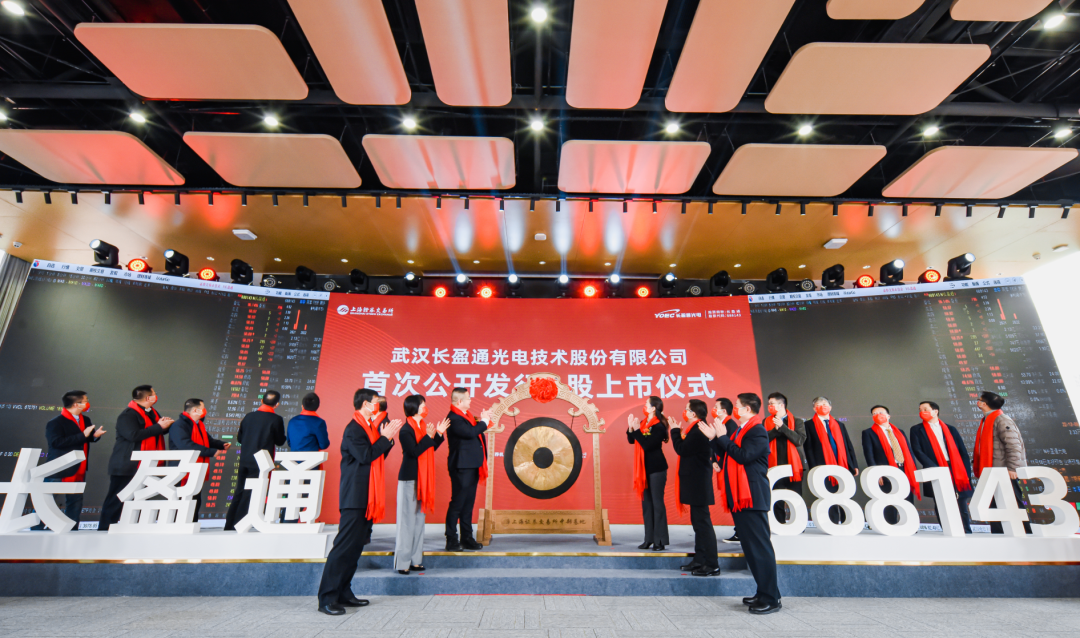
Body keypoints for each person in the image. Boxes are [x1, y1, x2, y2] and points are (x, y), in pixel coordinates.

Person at [317, 388, 403, 615]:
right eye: (375, 402)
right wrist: (384, 438)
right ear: (365, 404)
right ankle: (327, 598)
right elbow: (366, 456)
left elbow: (377, 456)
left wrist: (387, 439)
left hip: (367, 497)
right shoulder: (354, 429)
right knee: (343, 547)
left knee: (355, 549)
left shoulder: (369, 428)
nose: (378, 406)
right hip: (355, 497)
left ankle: (343, 593)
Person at [709, 392, 781, 615]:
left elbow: (743, 456)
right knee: (751, 549)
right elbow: (729, 454)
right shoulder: (742, 429)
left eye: (737, 405)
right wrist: (714, 438)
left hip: (753, 496)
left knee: (760, 548)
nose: (735, 408)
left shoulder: (757, 430)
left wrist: (722, 437)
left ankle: (772, 598)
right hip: (742, 498)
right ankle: (763, 592)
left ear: (747, 409)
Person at [99, 385, 173, 531]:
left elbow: (154, 432)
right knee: (117, 498)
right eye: (154, 393)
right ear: (148, 398)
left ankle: (131, 528)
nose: (156, 395)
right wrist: (159, 426)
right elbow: (133, 435)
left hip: (145, 464)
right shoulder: (128, 415)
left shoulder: (152, 412)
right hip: (127, 464)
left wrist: (165, 426)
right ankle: (104, 529)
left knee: (138, 499)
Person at [32, 391, 105, 530]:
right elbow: (56, 442)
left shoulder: (86, 420)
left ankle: (72, 528)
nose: (88, 403)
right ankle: (37, 528)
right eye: (85, 400)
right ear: (76, 404)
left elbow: (86, 438)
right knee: (47, 500)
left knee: (75, 500)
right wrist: (82, 435)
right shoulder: (56, 422)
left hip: (79, 466)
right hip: (59, 467)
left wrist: (94, 436)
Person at [395, 394, 449, 575]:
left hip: (423, 480)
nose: (425, 407)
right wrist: (428, 436)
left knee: (419, 521)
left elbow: (429, 448)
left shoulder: (423, 427)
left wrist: (438, 434)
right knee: (407, 522)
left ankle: (416, 560)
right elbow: (414, 452)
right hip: (410, 478)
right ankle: (403, 562)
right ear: (414, 407)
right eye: (422, 404)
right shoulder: (406, 430)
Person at [224, 390, 287, 531]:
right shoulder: (276, 419)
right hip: (261, 462)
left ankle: (229, 525)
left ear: (261, 401)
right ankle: (239, 525)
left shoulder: (249, 416)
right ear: (277, 404)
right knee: (251, 493)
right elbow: (280, 441)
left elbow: (240, 438)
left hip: (245, 459)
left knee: (240, 491)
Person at [669, 399, 719, 577]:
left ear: (693, 413)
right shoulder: (695, 429)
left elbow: (681, 449)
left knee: (703, 524)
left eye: (686, 409)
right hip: (695, 482)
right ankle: (699, 559)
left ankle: (711, 564)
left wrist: (674, 431)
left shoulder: (698, 430)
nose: (684, 411)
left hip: (698, 483)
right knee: (698, 524)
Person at [909, 400, 974, 534]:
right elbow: (918, 451)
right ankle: (947, 530)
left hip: (955, 468)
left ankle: (966, 531)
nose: (922, 412)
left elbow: (962, 452)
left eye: (925, 409)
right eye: (920, 410)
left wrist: (966, 472)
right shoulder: (916, 430)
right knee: (940, 501)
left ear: (935, 411)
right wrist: (934, 468)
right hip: (934, 468)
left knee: (960, 501)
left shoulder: (950, 429)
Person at [973, 391, 1031, 534]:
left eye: (979, 400)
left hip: (1004, 471)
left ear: (984, 404)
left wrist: (1012, 468)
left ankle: (1026, 535)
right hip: (993, 471)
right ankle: (999, 536)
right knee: (994, 507)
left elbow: (1014, 445)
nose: (978, 402)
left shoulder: (1001, 420)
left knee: (1013, 504)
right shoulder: (987, 419)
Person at [444, 387, 492, 551]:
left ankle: (466, 538)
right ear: (459, 401)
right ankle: (451, 539)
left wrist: (483, 420)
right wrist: (484, 421)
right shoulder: (454, 418)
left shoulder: (467, 417)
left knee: (468, 504)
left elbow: (474, 430)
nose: (471, 400)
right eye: (468, 398)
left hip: (471, 465)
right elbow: (471, 433)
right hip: (461, 466)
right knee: (457, 503)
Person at [169, 398, 229, 522]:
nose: (205, 411)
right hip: (182, 470)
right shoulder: (179, 425)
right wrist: (211, 452)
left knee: (195, 499)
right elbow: (186, 445)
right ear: (195, 410)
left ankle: (191, 524)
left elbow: (208, 441)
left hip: (195, 469)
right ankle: (179, 525)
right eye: (203, 408)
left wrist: (221, 445)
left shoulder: (198, 424)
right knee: (183, 499)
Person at [803, 396, 859, 524]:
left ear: (830, 407)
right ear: (814, 408)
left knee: (845, 495)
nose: (823, 406)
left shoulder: (839, 425)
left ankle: (847, 522)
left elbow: (848, 445)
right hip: (823, 466)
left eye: (825, 404)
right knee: (829, 496)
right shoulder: (808, 425)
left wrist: (854, 464)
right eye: (819, 404)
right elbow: (808, 448)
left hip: (843, 465)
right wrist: (814, 468)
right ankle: (832, 522)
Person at [860, 405, 918, 525]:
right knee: (889, 500)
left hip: (905, 468)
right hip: (885, 471)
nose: (878, 415)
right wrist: (875, 473)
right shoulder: (869, 433)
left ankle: (909, 524)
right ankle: (891, 525)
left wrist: (914, 470)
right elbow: (869, 454)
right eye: (874, 413)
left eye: (881, 412)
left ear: (888, 415)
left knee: (907, 499)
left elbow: (909, 451)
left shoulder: (899, 432)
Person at [627, 396, 670, 551]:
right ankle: (649, 539)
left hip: (657, 468)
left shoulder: (659, 426)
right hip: (644, 469)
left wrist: (637, 430)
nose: (644, 405)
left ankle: (660, 540)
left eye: (646, 404)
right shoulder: (643, 423)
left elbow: (647, 445)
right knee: (647, 505)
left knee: (657, 504)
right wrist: (631, 428)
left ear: (653, 408)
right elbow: (632, 440)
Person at [764, 393, 807, 525]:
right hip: (774, 466)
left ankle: (798, 524)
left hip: (794, 466)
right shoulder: (766, 421)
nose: (769, 406)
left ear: (781, 405)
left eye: (772, 403)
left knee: (796, 497)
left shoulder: (797, 421)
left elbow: (799, 440)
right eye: (769, 404)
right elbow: (763, 440)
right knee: (776, 498)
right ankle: (780, 523)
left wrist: (783, 427)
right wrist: (775, 429)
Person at [711, 398, 740, 544]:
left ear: (723, 410)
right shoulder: (719, 423)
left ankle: (740, 532)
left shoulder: (730, 425)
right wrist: (714, 461)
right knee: (729, 498)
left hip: (729, 467)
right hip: (722, 466)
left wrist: (721, 462)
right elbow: (715, 446)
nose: (713, 409)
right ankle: (738, 531)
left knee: (733, 498)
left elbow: (729, 448)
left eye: (716, 407)